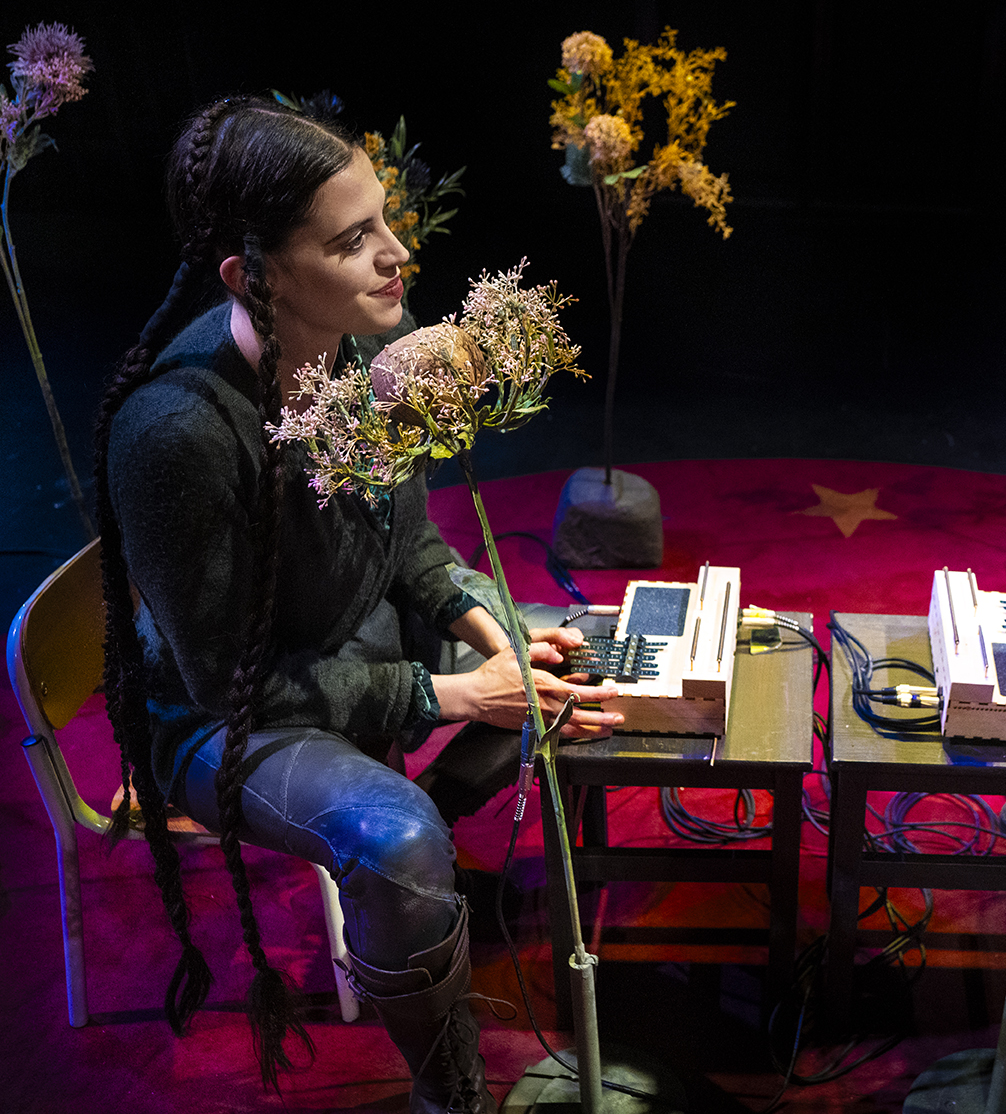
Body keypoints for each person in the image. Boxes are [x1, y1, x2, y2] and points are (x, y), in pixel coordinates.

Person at [94, 97, 622, 1114]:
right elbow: (227, 681)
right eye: (352, 240)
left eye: (384, 219)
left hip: (349, 634)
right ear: (253, 276)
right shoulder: (176, 434)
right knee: (398, 839)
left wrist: (497, 641)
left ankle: (430, 856)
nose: (396, 255)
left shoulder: (362, 346)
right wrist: (451, 694)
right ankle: (449, 1091)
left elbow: (409, 543)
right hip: (223, 717)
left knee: (566, 663)